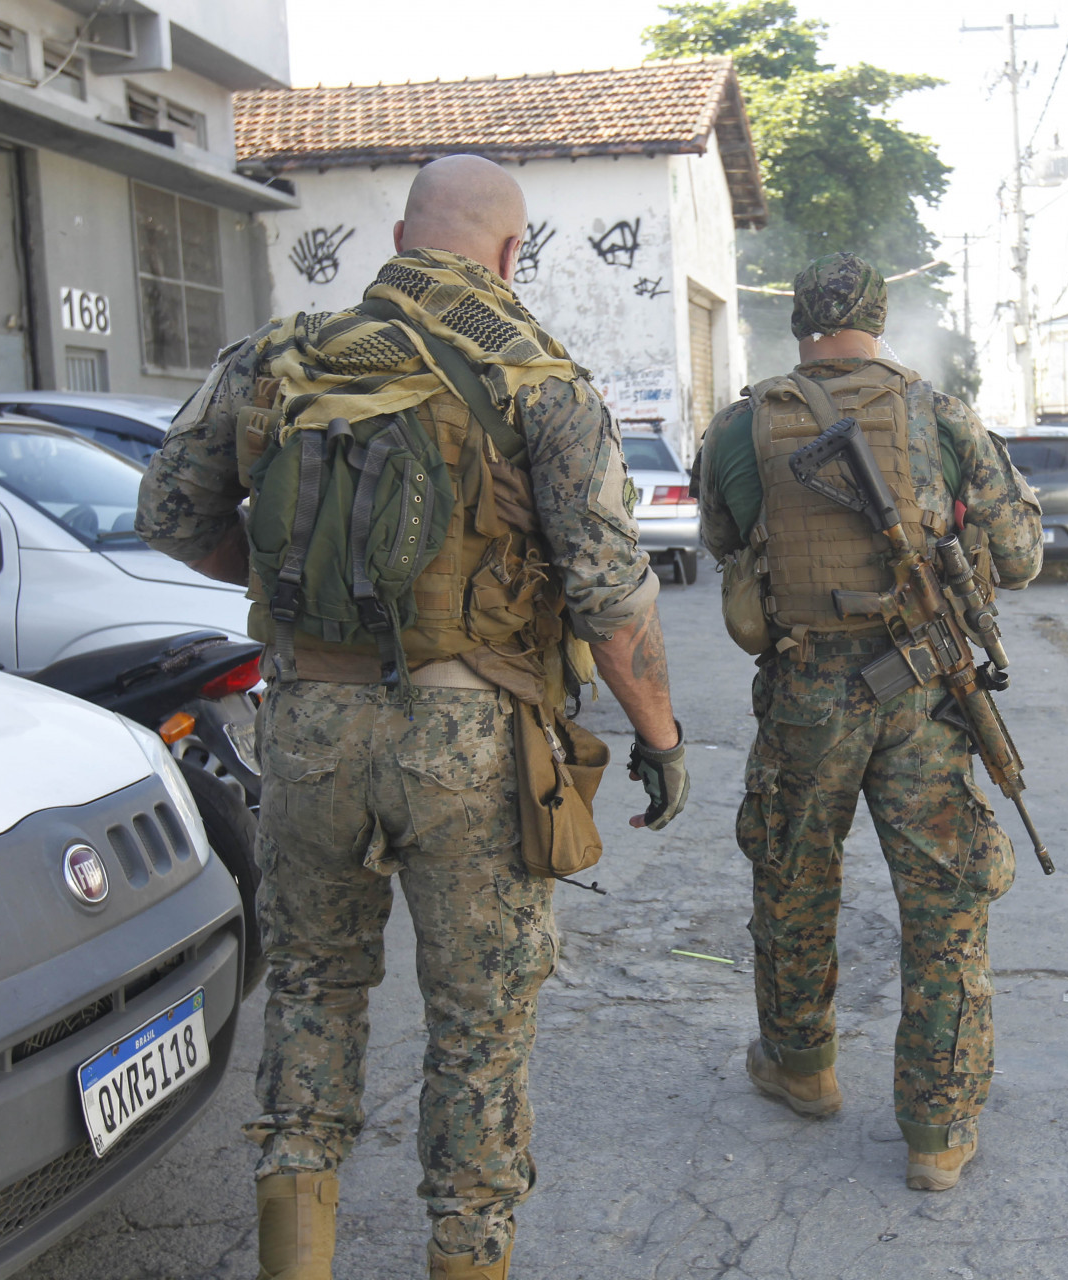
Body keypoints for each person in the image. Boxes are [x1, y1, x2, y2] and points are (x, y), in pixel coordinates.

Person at [136, 156, 690, 1280]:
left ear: (398, 237)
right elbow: (610, 595)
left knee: (310, 986)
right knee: (480, 1019)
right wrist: (662, 736)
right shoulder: (543, 379)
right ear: (507, 254)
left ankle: (297, 1254)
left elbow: (168, 511)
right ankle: (469, 1251)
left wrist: (290, 597)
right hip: (471, 741)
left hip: (306, 732)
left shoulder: (274, 358)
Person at [695, 252, 1041, 1193]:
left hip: (807, 689)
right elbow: (1018, 557)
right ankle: (937, 1126)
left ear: (797, 324)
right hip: (925, 692)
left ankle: (802, 1068)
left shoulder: (745, 423)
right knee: (944, 904)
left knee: (794, 878)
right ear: (881, 319)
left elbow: (724, 543)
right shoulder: (941, 414)